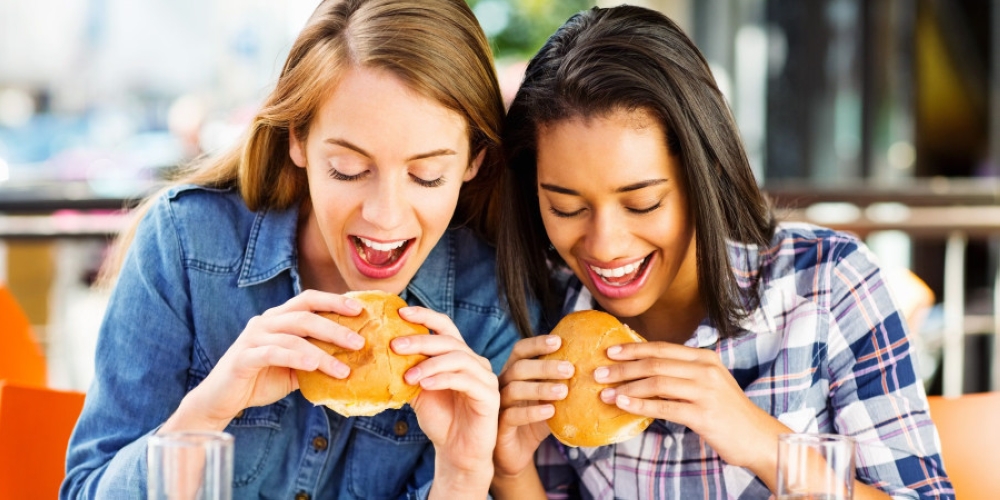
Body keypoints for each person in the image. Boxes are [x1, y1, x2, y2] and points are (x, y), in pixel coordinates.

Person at [492, 5, 953, 499]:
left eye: (643, 203)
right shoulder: (544, 319)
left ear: (703, 176)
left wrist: (761, 442)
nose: (604, 244)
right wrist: (513, 474)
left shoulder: (827, 284)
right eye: (565, 208)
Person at [62, 1, 518, 498]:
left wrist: (463, 475)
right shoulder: (185, 243)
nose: (386, 215)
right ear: (298, 139)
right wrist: (209, 409)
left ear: (473, 160)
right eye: (348, 168)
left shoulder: (490, 304)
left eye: (426, 175)